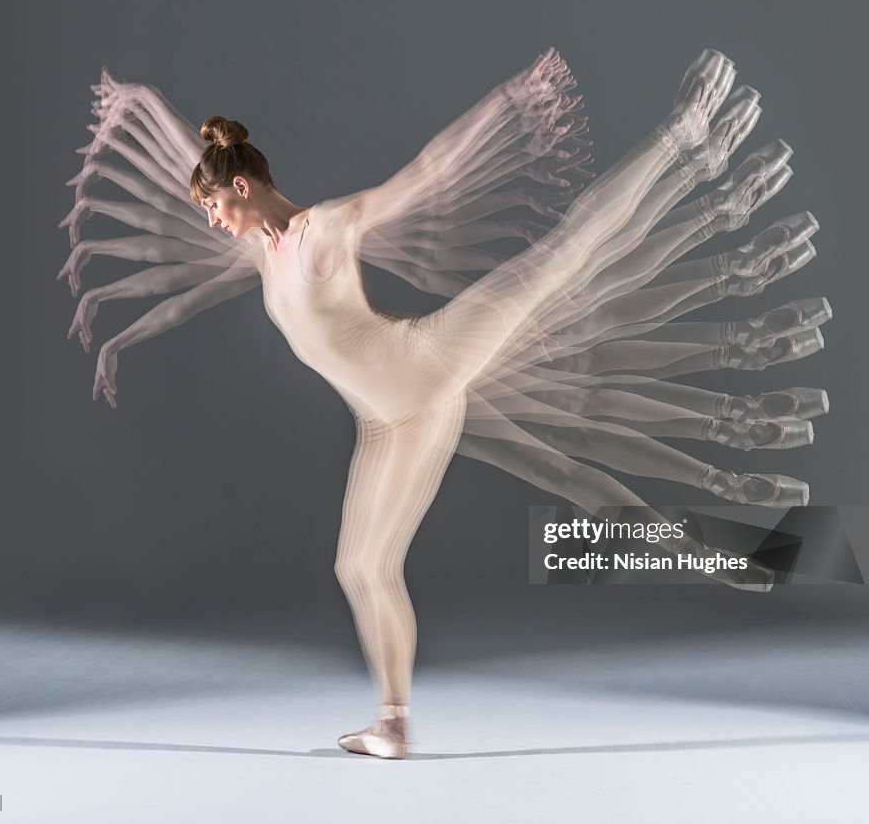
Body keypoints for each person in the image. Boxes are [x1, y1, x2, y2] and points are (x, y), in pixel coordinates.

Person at [60, 49, 830, 759]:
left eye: (214, 207)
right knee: (360, 562)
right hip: (388, 419)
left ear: (241, 187)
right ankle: (391, 722)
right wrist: (118, 339)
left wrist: (508, 104)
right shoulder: (260, 251)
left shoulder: (325, 229)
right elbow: (178, 214)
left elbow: (427, 173)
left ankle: (686, 135)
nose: (213, 224)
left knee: (564, 265)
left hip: (427, 359)